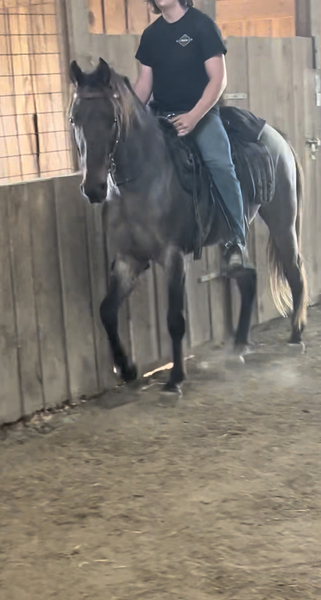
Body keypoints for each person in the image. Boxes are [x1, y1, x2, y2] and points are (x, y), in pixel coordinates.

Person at [134, 0, 247, 270]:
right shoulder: (150, 36)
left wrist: (194, 116)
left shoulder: (201, 25)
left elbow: (218, 79)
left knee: (220, 163)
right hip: (161, 114)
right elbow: (144, 84)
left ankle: (236, 240)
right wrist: (128, 115)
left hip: (201, 114)